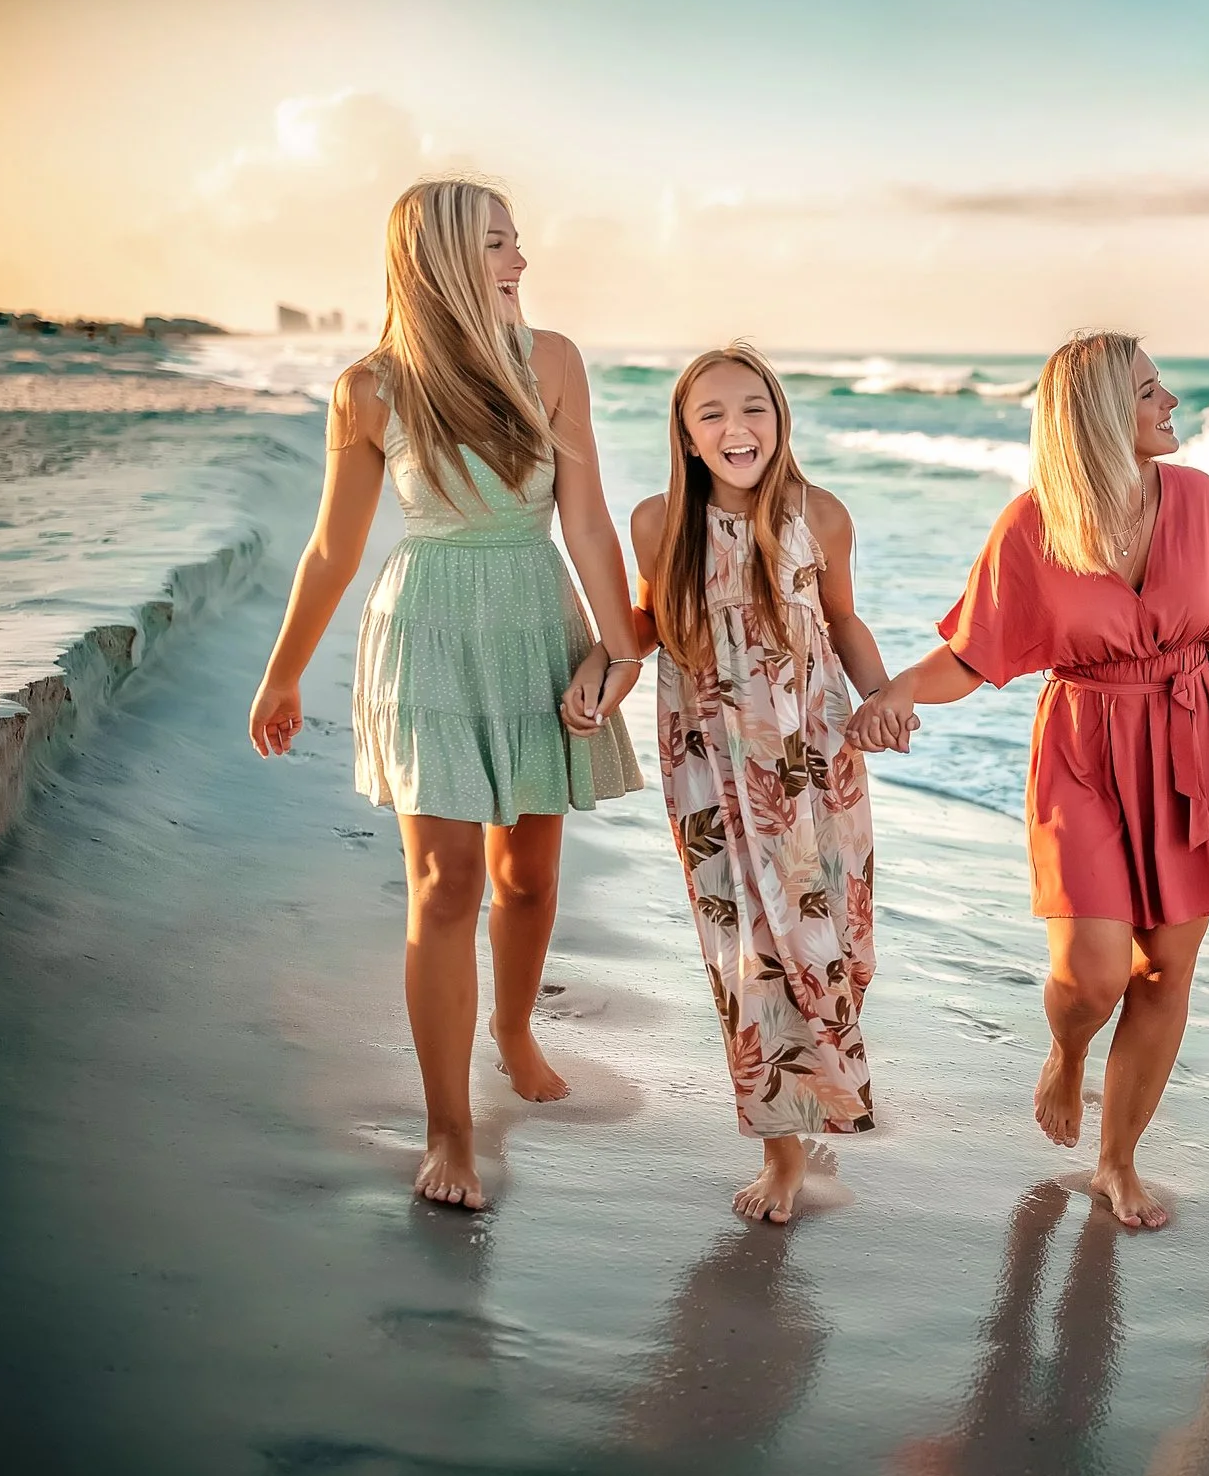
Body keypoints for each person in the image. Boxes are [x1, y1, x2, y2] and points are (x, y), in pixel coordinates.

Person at [847, 331, 1209, 1229]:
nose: (1170, 401)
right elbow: (971, 654)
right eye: (1150, 390)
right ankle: (1067, 1052)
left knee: (1166, 971)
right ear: (1105, 417)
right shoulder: (1033, 527)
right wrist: (898, 692)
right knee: (1094, 972)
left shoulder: (1201, 500)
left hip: (1190, 743)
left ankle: (1118, 1159)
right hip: (1083, 752)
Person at [248, 177, 644, 1212]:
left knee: (529, 875)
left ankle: (513, 1030)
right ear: (439, 261)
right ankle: (449, 1127)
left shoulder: (549, 360)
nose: (520, 260)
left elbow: (591, 522)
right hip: (424, 631)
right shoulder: (370, 388)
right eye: (499, 244)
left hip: (534, 619)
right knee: (446, 885)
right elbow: (334, 546)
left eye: (518, 241)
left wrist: (619, 648)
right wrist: (285, 667)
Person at [581, 344, 889, 1225]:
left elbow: (843, 621)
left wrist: (883, 699)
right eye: (710, 412)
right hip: (713, 772)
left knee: (838, 946)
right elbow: (644, 622)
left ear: (779, 416)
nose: (735, 427)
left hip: (814, 760)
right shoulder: (658, 524)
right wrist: (603, 669)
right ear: (684, 431)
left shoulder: (820, 515)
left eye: (752, 406)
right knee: (751, 957)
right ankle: (783, 1151)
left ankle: (816, 1095)